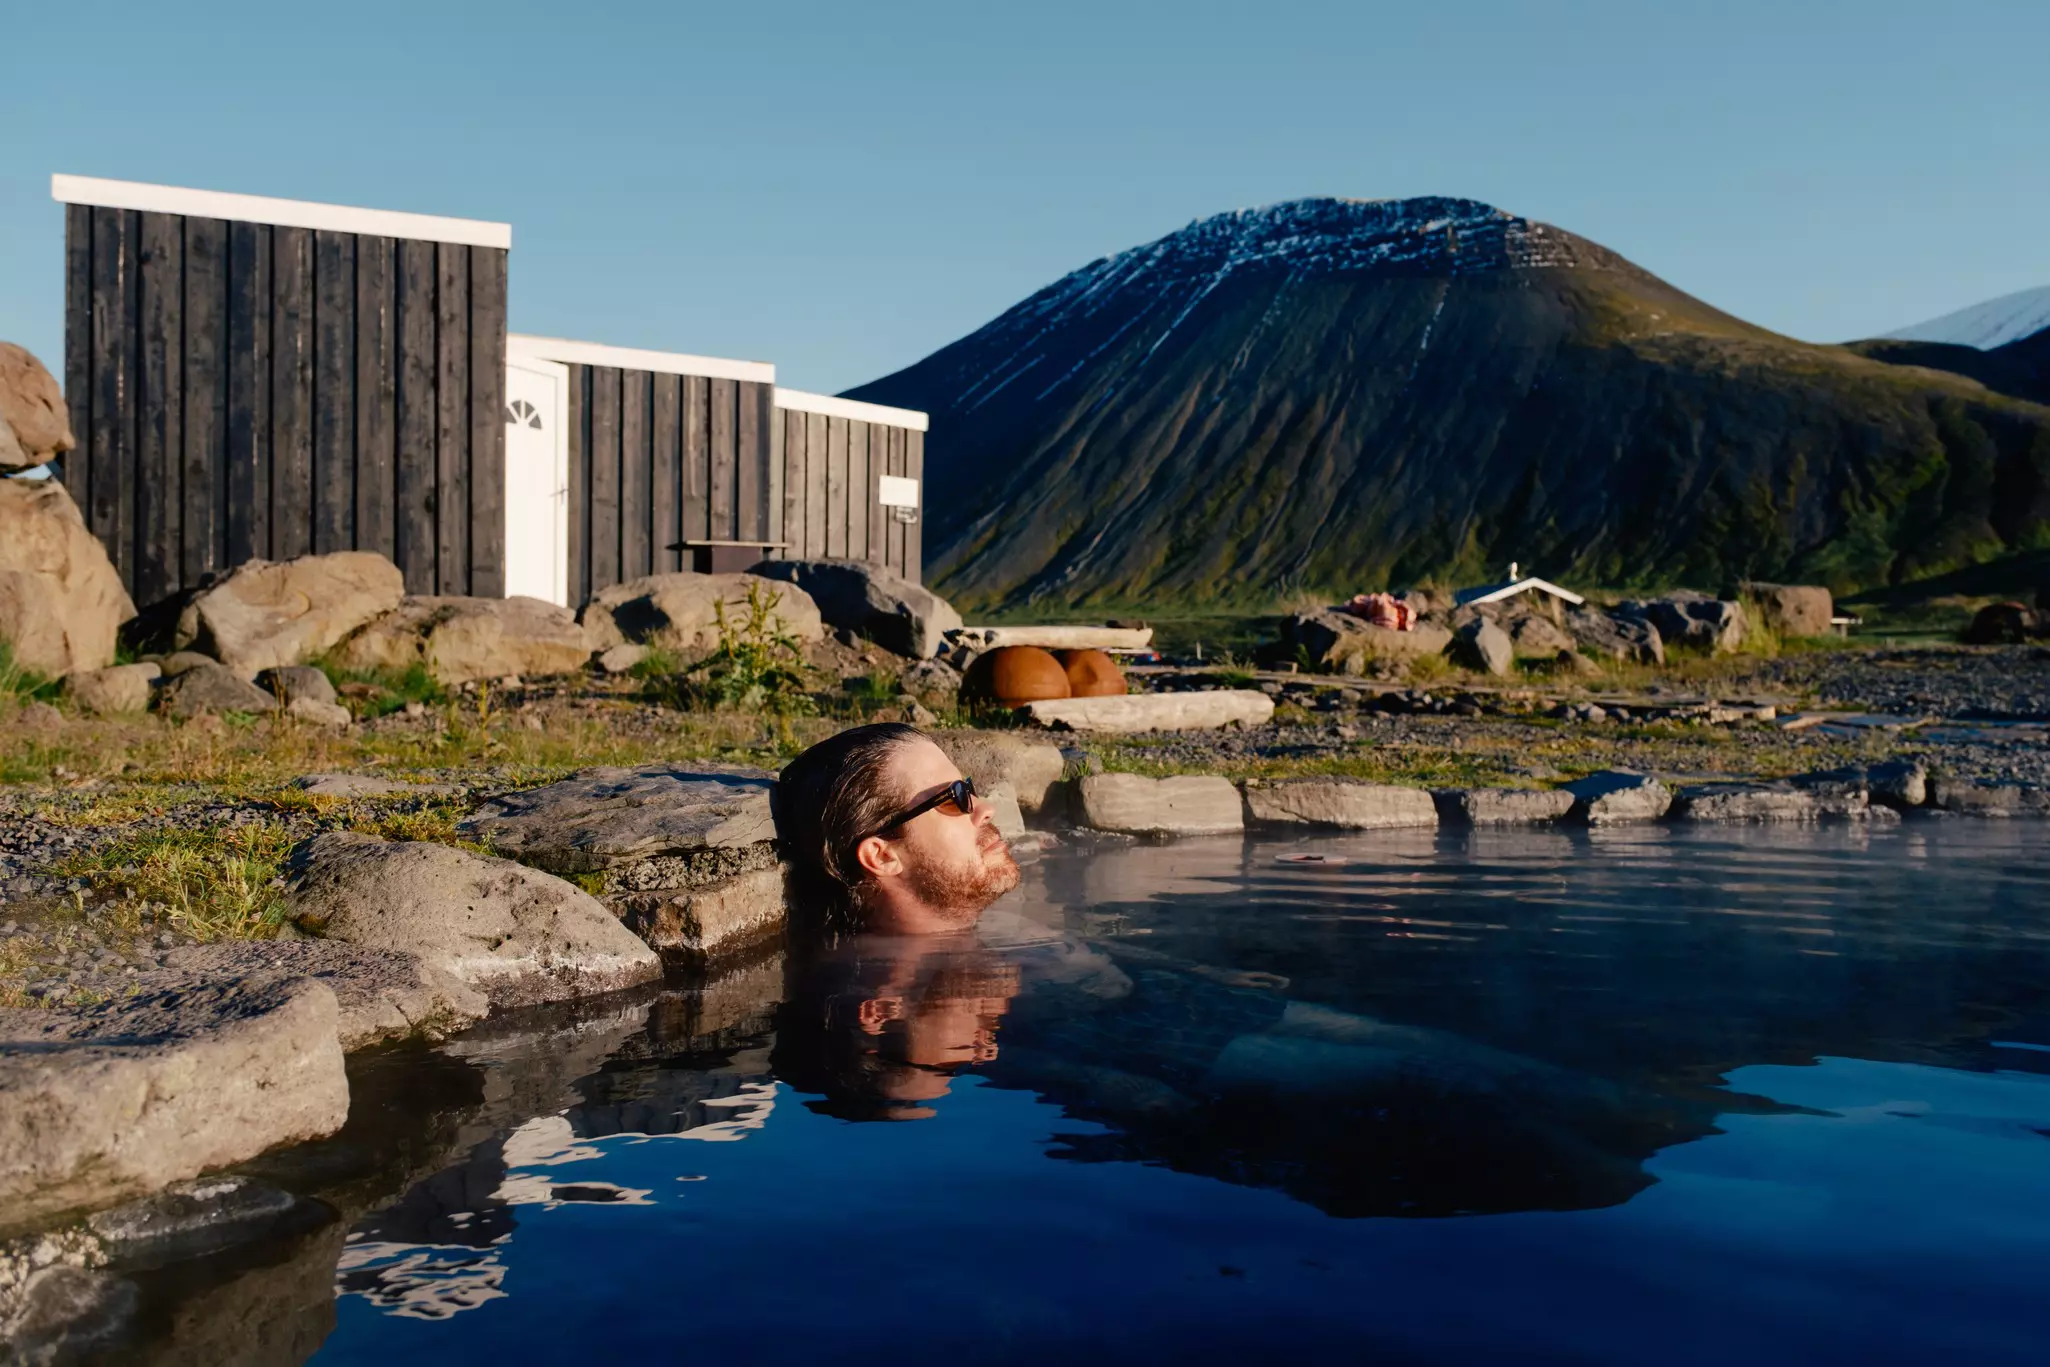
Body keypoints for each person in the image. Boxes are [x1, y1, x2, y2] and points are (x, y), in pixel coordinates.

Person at [775, 722, 1021, 934]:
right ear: (882, 856)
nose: (987, 809)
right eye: (953, 798)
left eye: (968, 789)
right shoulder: (866, 986)